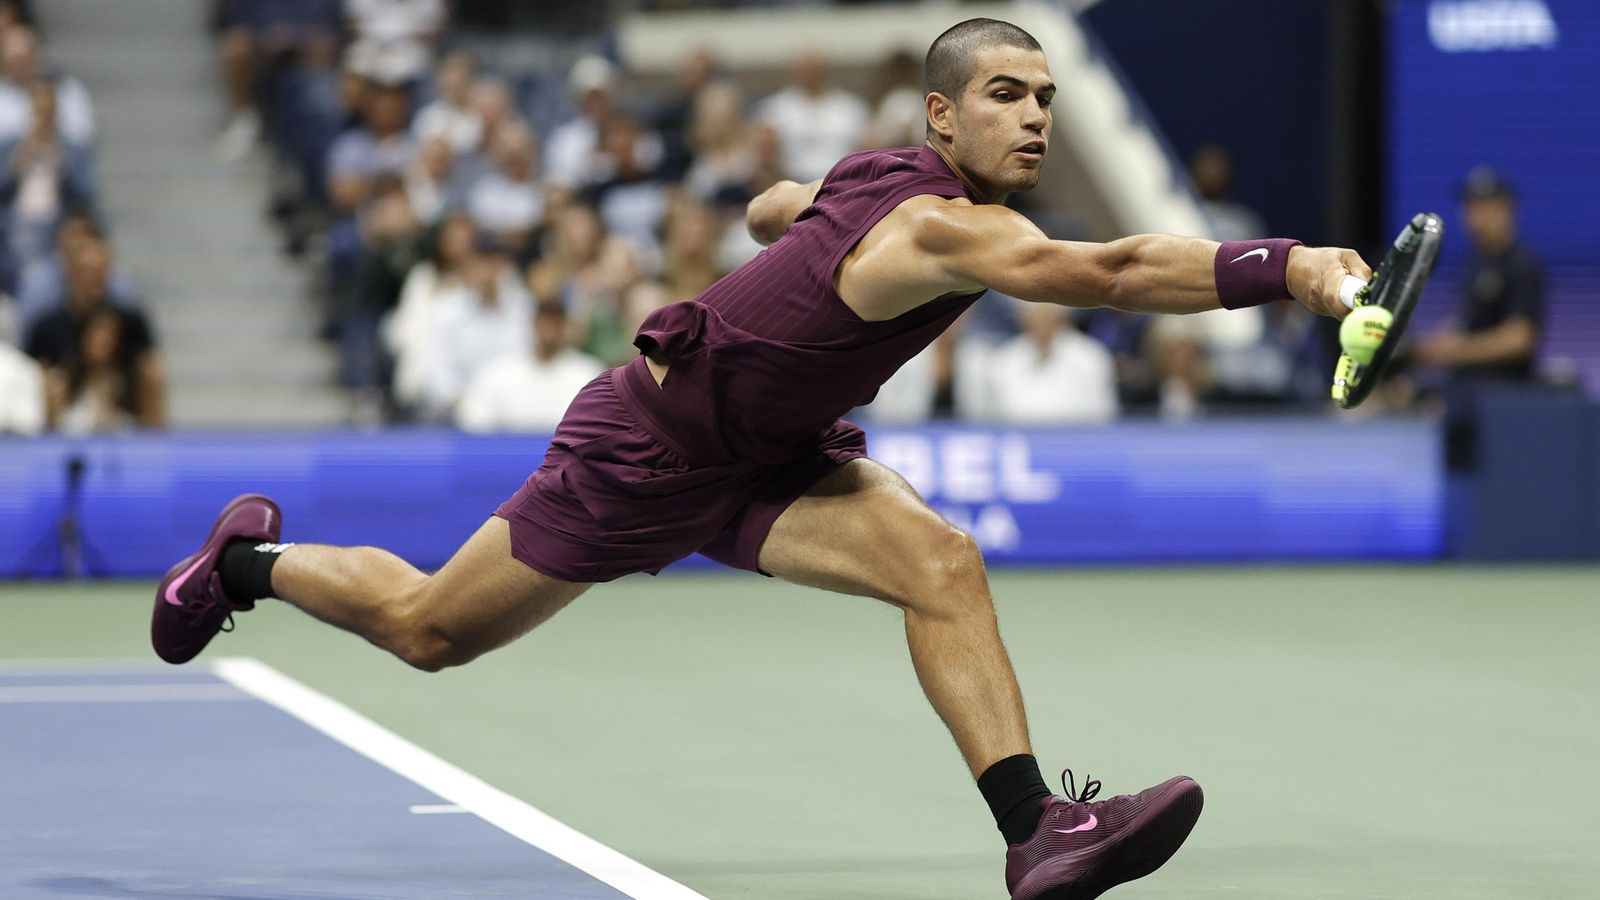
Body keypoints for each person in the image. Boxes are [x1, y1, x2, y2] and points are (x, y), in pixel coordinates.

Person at [151, 18, 1368, 899]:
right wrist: (1297, 268)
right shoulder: (940, 223)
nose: (1036, 115)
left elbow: (777, 203)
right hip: (644, 450)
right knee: (428, 630)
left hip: (774, 457)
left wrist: (785, 216)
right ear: (942, 116)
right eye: (1006, 94)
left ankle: (1037, 831)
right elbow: (1104, 273)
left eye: (1044, 95)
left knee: (939, 562)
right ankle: (250, 565)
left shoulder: (874, 176)